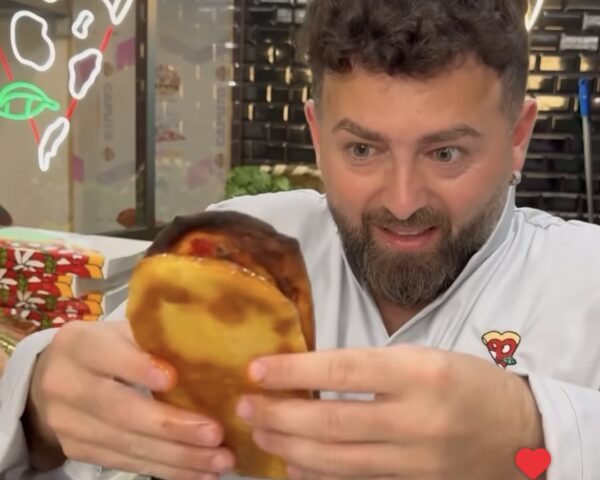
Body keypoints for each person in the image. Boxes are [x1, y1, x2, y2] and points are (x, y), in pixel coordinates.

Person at [2, 0, 600, 479]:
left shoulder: (584, 281)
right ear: (316, 134)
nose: (402, 202)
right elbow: (89, 433)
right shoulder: (235, 249)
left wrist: (535, 436)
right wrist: (40, 415)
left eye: (446, 153)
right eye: (361, 149)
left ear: (517, 137)